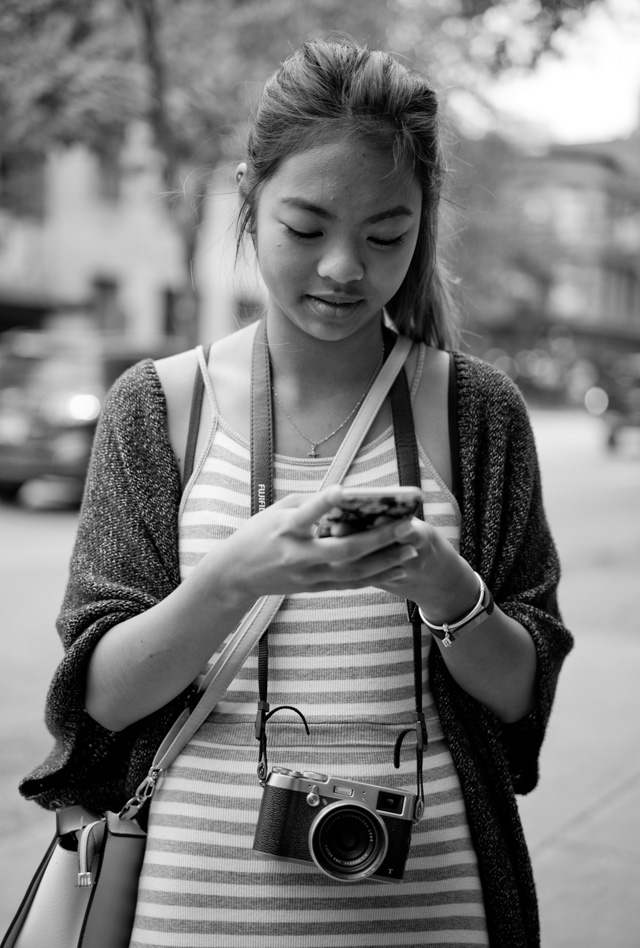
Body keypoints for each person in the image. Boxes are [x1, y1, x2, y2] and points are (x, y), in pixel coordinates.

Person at [21, 37, 573, 948]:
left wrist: (449, 593)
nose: (344, 268)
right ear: (250, 197)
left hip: (433, 907)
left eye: (386, 234)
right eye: (307, 228)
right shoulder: (161, 408)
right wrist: (231, 578)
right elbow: (98, 704)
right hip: (194, 908)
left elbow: (522, 695)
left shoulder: (473, 411)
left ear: (423, 221)